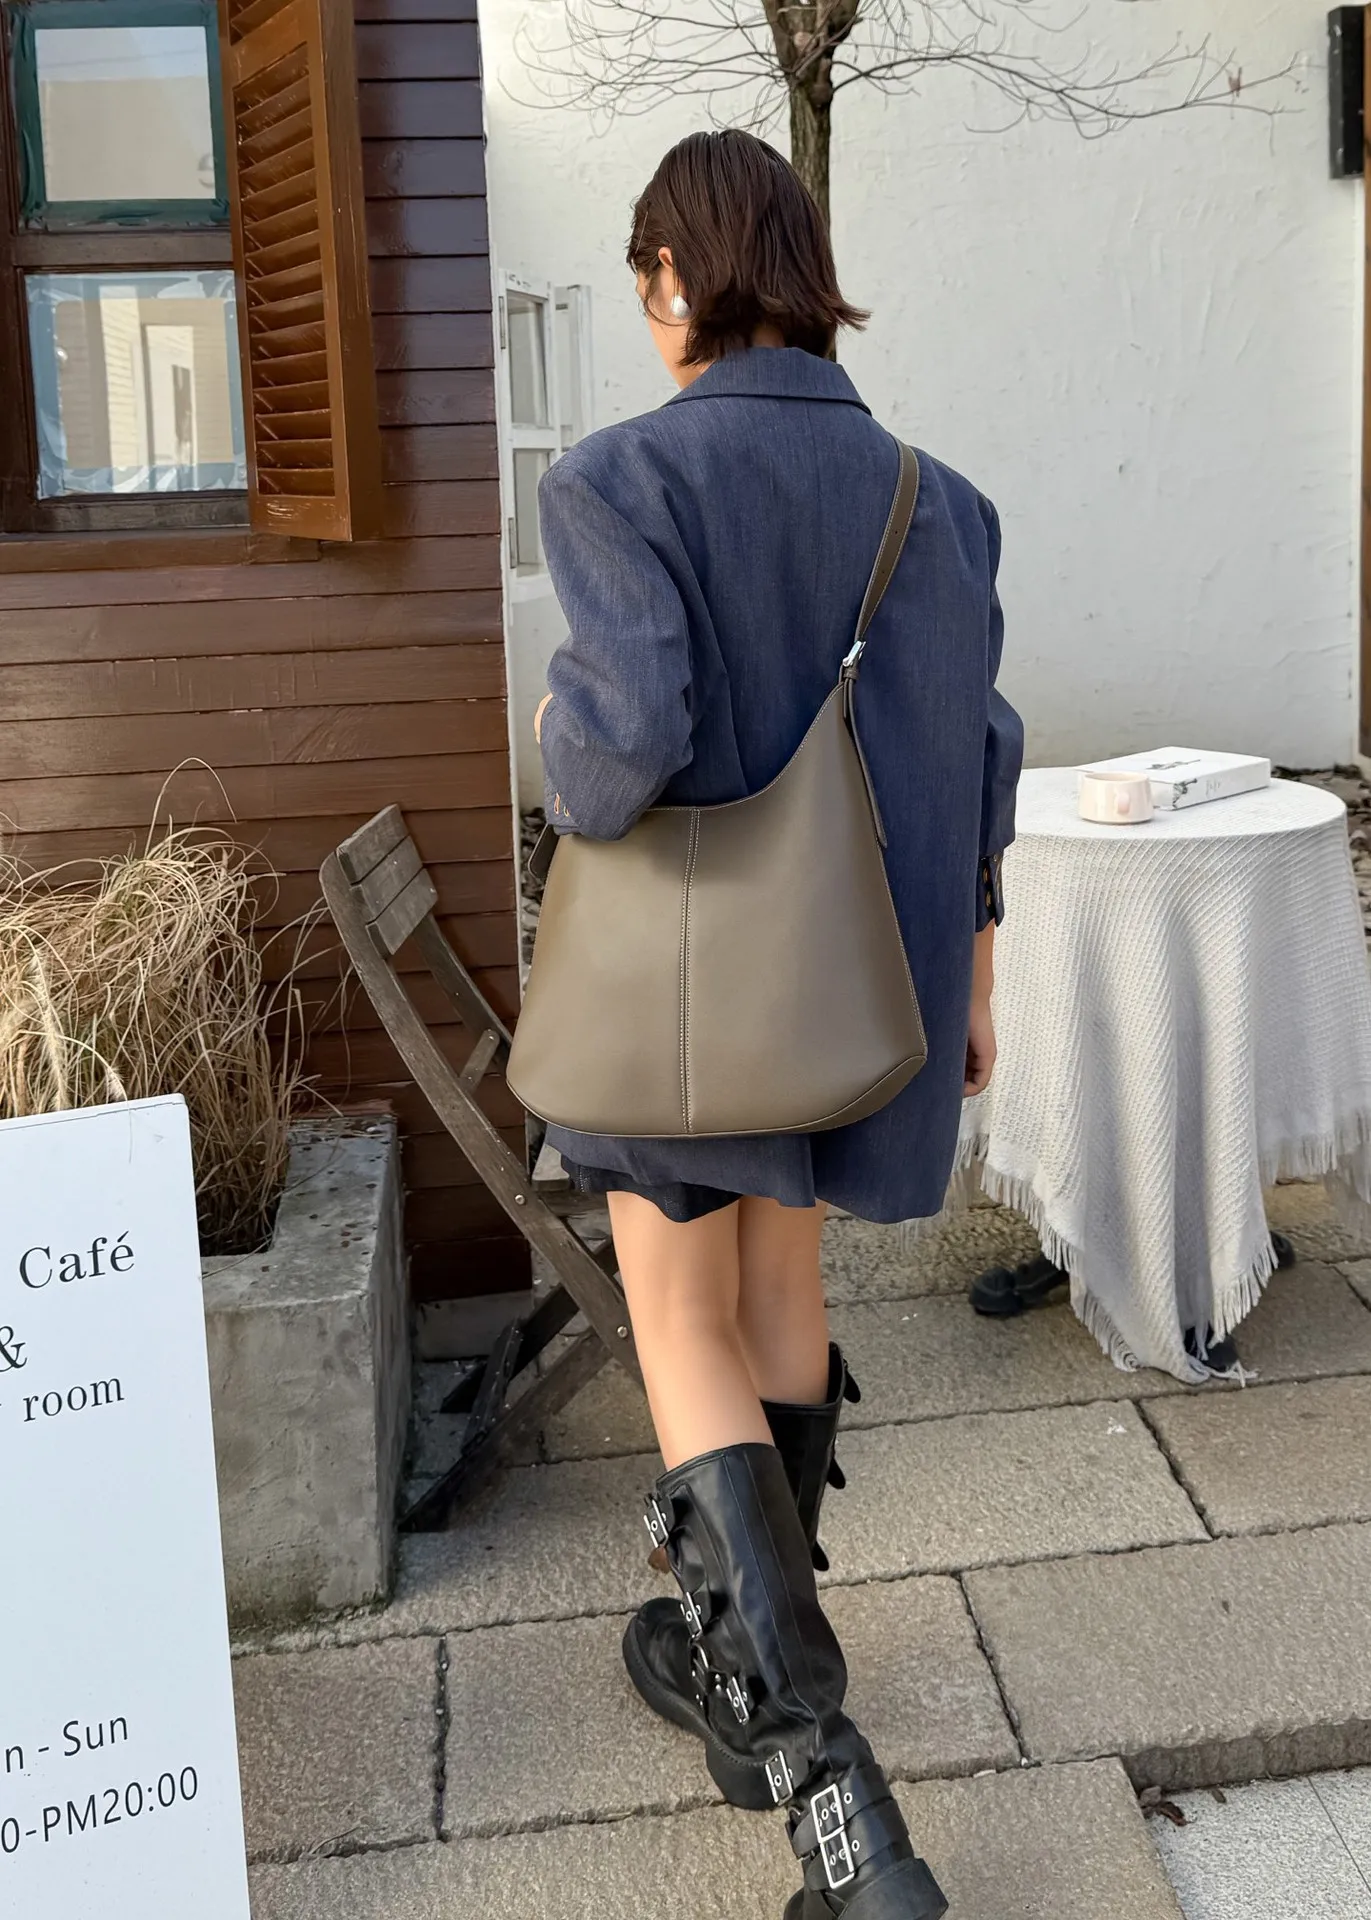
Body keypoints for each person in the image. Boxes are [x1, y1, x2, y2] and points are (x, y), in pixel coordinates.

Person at [530, 129, 1023, 1920]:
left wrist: (553, 740)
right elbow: (981, 748)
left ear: (676, 276)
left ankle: (832, 1801)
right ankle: (742, 1671)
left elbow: (617, 752)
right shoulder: (937, 499)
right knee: (779, 1295)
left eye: (648, 280)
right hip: (853, 995)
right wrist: (973, 976)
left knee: (677, 1313)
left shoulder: (613, 481)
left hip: (683, 1002)